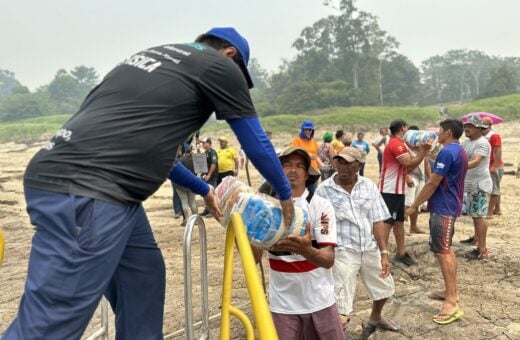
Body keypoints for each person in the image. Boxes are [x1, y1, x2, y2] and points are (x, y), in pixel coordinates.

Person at [5, 27, 295, 339]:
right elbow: (256, 142)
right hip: (91, 190)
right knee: (49, 325)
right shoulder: (221, 65)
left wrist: (205, 189)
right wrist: (286, 197)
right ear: (231, 54)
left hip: (85, 182)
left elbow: (163, 158)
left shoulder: (151, 59)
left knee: (142, 274)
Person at [254, 147, 344, 339]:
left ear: (307, 175)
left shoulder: (320, 206)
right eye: (287, 165)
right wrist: (251, 229)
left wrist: (307, 250)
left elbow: (328, 259)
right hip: (283, 305)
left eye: (299, 166)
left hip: (320, 301)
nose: (292, 170)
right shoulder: (267, 208)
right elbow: (253, 258)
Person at [315, 147, 400, 335]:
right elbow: (320, 225)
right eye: (340, 162)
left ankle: (376, 316)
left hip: (369, 248)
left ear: (359, 165)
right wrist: (327, 251)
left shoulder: (368, 186)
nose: (343, 166)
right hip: (343, 250)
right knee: (341, 298)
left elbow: (378, 220)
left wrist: (384, 252)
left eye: (348, 162)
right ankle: (338, 332)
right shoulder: (324, 190)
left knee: (384, 288)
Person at [406, 119, 467, 325]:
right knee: (445, 248)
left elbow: (432, 182)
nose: (436, 133)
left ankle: (451, 300)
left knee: (443, 251)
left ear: (447, 132)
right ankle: (450, 291)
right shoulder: (457, 150)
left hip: (444, 206)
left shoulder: (448, 152)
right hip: (448, 203)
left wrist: (414, 205)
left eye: (439, 130)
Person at [379, 119, 430, 266]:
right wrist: (423, 152)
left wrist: (406, 176)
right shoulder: (396, 144)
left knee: (399, 222)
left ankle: (401, 253)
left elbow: (406, 165)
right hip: (389, 189)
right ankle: (381, 255)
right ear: (403, 128)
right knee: (387, 223)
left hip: (397, 189)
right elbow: (408, 163)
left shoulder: (401, 144)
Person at [460, 115, 492, 260]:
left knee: (479, 216)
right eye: (466, 125)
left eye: (471, 126)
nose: (467, 128)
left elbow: (476, 161)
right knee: (475, 215)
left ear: (480, 128)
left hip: (480, 184)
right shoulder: (466, 143)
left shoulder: (482, 143)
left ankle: (482, 249)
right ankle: (476, 239)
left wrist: (456, 165)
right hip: (470, 184)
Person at [404, 125, 431, 234]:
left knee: (417, 203)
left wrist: (430, 176)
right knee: (407, 203)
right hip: (410, 176)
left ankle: (413, 226)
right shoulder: (405, 147)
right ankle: (400, 225)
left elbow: (426, 163)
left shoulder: (420, 147)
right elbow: (404, 165)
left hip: (420, 177)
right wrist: (406, 176)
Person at [171, 144, 198, 226]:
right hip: (192, 182)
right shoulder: (196, 158)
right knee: (192, 202)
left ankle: (186, 220)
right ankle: (196, 220)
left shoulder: (180, 160)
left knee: (184, 202)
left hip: (181, 184)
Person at [482, 117, 504, 218]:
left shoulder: (494, 136)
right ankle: (497, 209)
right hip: (488, 165)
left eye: (484, 126)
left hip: (494, 165)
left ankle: (489, 212)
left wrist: (495, 166)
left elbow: (498, 151)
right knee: (496, 187)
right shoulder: (484, 136)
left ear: (490, 126)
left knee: (493, 189)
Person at [199, 137, 218, 218]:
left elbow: (213, 164)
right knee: (205, 194)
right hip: (204, 176)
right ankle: (207, 210)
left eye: (204, 143)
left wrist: (209, 174)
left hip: (211, 176)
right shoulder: (205, 153)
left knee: (212, 194)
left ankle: (213, 211)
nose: (203, 144)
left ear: (209, 143)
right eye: (202, 143)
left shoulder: (212, 152)